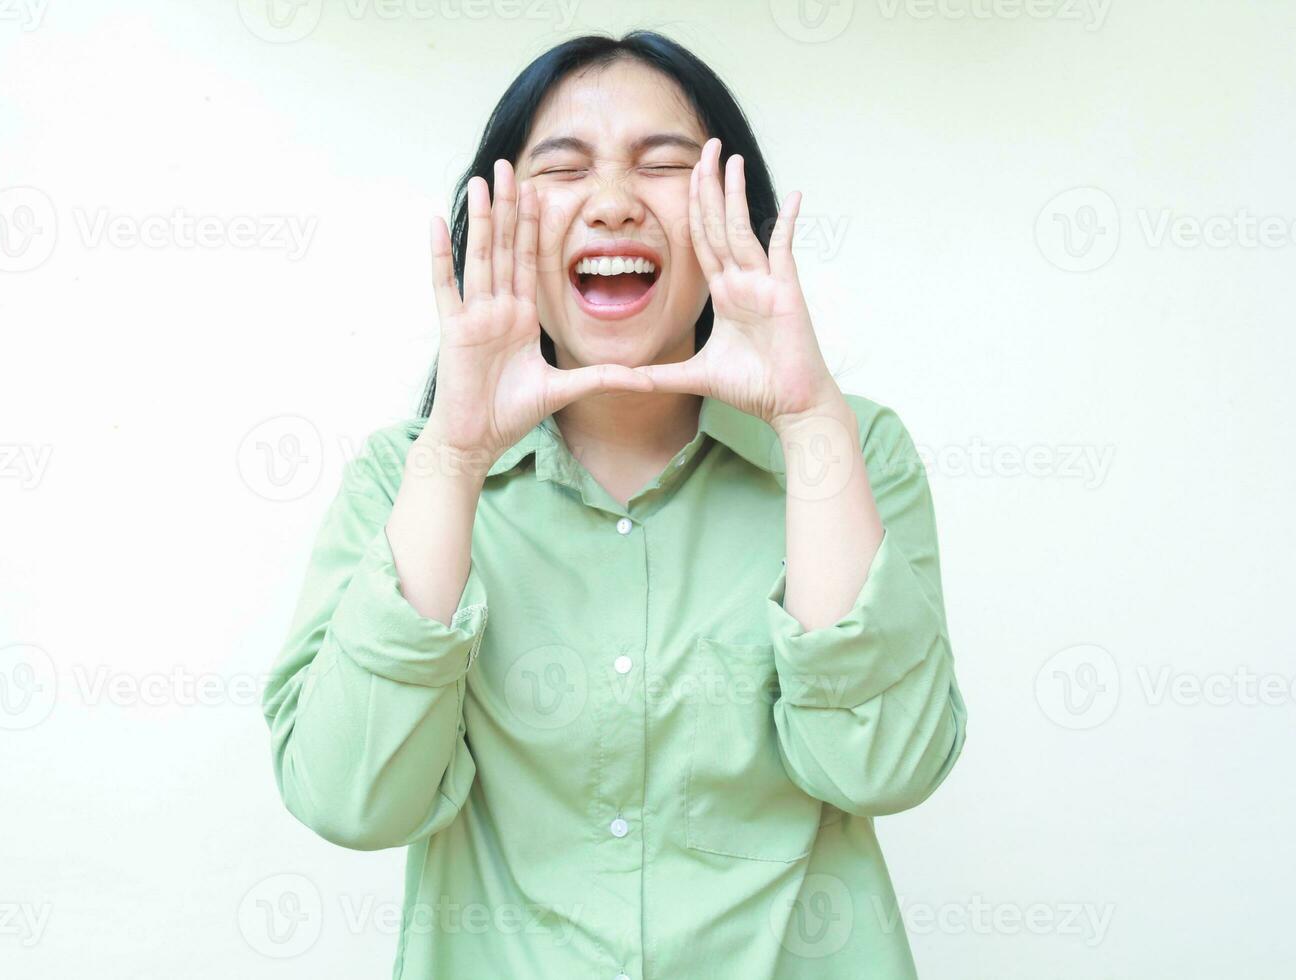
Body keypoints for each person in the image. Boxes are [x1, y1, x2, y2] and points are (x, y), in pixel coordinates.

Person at [260, 30, 967, 980]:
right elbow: (352, 801)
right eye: (563, 168)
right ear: (500, 214)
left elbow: (886, 768)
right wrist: (458, 453)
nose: (614, 203)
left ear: (732, 210)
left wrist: (807, 418)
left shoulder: (850, 448)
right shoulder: (405, 479)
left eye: (664, 164)